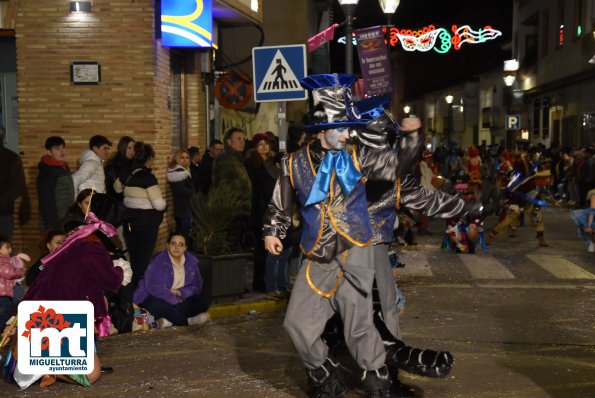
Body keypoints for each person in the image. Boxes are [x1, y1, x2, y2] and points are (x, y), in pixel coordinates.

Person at [263, 74, 426, 397]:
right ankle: (325, 373)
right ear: (322, 130)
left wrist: (412, 138)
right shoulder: (293, 163)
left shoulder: (359, 156)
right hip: (318, 255)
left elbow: (395, 167)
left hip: (356, 252)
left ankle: (379, 384)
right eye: (341, 128)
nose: (347, 133)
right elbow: (280, 202)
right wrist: (273, 231)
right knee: (296, 323)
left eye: (348, 127)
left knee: (360, 328)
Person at [8, 202, 131, 389]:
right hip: (55, 318)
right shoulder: (92, 249)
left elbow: (90, 290)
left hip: (38, 313)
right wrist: (121, 269)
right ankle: (43, 365)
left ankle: (41, 360)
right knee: (92, 375)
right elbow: (112, 282)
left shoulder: (68, 248)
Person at [116, 141, 166, 288]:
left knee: (134, 257)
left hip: (130, 223)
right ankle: (139, 294)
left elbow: (116, 189)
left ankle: (131, 292)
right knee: (143, 259)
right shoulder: (148, 178)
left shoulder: (126, 174)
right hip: (147, 224)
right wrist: (164, 204)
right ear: (149, 159)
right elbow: (159, 205)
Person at [134, 233, 209, 327]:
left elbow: (197, 287)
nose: (177, 247)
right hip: (152, 296)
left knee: (202, 302)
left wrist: (180, 293)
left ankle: (165, 321)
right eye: (173, 243)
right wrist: (175, 300)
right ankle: (187, 321)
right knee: (158, 306)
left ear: (185, 248)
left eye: (181, 244)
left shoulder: (192, 263)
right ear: (168, 245)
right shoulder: (158, 261)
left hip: (180, 298)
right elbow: (155, 289)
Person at [245, 133, 281, 295]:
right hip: (259, 211)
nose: (264, 146)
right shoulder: (252, 164)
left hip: (273, 210)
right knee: (260, 249)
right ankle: (259, 282)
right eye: (260, 144)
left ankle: (272, 281)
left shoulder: (273, 163)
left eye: (266, 143)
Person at [212, 128, 252, 253]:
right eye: (238, 139)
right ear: (229, 142)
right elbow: (223, 187)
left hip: (239, 213)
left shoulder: (236, 158)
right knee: (232, 249)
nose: (242, 142)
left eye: (243, 139)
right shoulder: (225, 159)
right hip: (231, 214)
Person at [36, 136, 75, 230]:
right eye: (57, 148)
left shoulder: (63, 167)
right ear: (49, 152)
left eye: (63, 148)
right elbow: (46, 200)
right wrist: (52, 225)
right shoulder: (47, 171)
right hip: (55, 221)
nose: (62, 151)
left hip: (66, 218)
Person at [0, 126, 26, 240]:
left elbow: (18, 186)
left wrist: (1, 201)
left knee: (3, 252)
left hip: (3, 214)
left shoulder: (11, 158)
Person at [167, 148, 196, 237]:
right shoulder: (180, 173)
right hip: (184, 208)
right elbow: (180, 189)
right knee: (184, 235)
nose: (185, 160)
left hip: (181, 207)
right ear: (177, 159)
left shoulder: (180, 171)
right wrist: (192, 192)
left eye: (187, 157)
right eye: (182, 157)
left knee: (183, 233)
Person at [0, 236, 27, 328]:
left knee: (6, 312)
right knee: (5, 314)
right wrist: (21, 270)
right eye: (7, 247)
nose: (10, 250)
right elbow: (8, 273)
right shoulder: (2, 260)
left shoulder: (6, 260)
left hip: (5, 294)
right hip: (2, 295)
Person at [104, 136, 135, 200]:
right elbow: (110, 191)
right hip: (117, 204)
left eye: (134, 148)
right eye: (129, 148)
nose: (132, 151)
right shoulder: (112, 166)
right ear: (123, 149)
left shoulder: (134, 164)